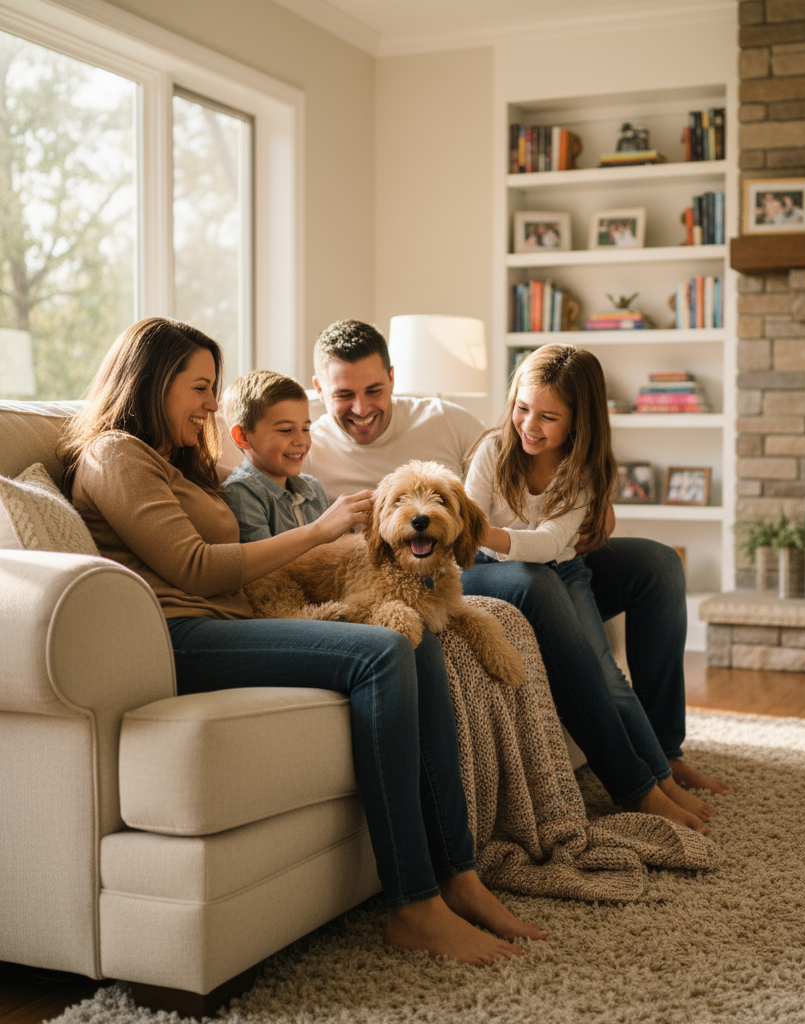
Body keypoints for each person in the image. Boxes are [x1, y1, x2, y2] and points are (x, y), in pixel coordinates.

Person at [56, 317, 545, 967]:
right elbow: (196, 568)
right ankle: (414, 903)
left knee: (417, 633)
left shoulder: (173, 459)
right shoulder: (113, 455)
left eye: (214, 389)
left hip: (230, 621)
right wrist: (320, 532)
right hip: (180, 634)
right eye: (200, 388)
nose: (210, 404)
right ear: (152, 381)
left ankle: (459, 873)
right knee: (384, 647)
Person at [305, 320, 730, 834]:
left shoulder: (446, 419)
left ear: (393, 377)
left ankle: (666, 750)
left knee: (658, 564)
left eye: (374, 389)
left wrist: (594, 510)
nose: (361, 407)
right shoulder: (303, 442)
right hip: (472, 560)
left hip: (535, 549)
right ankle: (637, 784)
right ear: (318, 388)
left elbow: (500, 484)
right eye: (343, 395)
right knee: (535, 582)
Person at [465, 344, 709, 832]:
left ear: (578, 422)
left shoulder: (582, 471)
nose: (529, 425)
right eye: (522, 408)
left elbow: (550, 543)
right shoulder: (494, 449)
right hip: (489, 568)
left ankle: (662, 771)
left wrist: (479, 530)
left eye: (548, 417)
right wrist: (476, 534)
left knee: (609, 676)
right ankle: (647, 786)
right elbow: (468, 520)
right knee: (592, 660)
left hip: (565, 568)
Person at [220, 369, 331, 542]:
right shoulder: (241, 492)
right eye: (285, 430)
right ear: (243, 437)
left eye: (305, 429)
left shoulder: (313, 489)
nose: (301, 441)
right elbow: (265, 558)